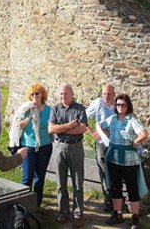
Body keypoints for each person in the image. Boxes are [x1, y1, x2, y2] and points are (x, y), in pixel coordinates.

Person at [97, 94, 148, 229]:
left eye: (123, 105)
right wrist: (106, 135)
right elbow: (101, 125)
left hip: (129, 160)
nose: (120, 107)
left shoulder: (132, 120)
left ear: (128, 106)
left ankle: (135, 218)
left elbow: (144, 134)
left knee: (132, 188)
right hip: (113, 158)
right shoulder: (112, 118)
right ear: (115, 106)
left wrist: (135, 143)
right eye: (118, 105)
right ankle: (117, 214)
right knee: (115, 188)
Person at [48, 84, 88, 228]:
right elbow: (51, 129)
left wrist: (62, 129)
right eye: (61, 94)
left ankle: (78, 213)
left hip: (76, 148)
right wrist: (70, 126)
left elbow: (82, 128)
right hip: (59, 147)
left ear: (72, 94)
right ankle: (63, 211)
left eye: (65, 93)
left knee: (78, 182)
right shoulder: (55, 109)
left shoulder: (80, 108)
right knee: (61, 182)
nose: (62, 96)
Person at [9, 82, 53, 207]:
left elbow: (51, 126)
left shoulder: (49, 110)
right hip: (27, 146)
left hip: (44, 146)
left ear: (42, 94)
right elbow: (18, 125)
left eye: (37, 93)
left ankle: (36, 205)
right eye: (32, 94)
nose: (34, 96)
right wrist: (29, 117)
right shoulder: (26, 108)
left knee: (40, 177)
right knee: (27, 177)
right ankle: (23, 205)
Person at [86, 84, 116, 212]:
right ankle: (108, 200)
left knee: (117, 172)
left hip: (117, 144)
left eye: (109, 94)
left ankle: (118, 199)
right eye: (104, 94)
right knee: (104, 172)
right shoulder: (98, 104)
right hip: (102, 143)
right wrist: (91, 131)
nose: (106, 96)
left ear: (114, 94)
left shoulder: (119, 104)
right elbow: (83, 117)